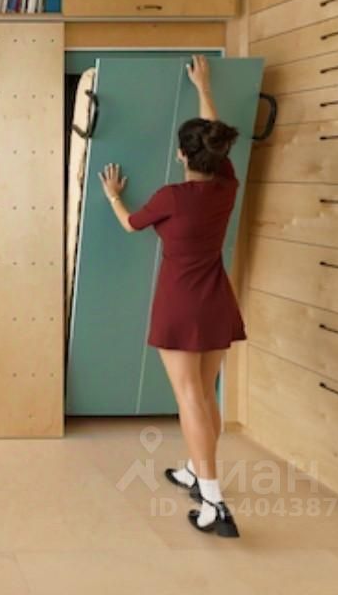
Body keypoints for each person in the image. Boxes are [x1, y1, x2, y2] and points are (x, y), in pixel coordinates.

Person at [97, 54, 244, 538]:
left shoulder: (169, 198)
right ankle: (196, 473)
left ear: (181, 156)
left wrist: (113, 193)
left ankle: (213, 500)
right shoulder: (226, 187)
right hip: (216, 301)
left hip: (180, 306)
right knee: (204, 393)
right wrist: (204, 88)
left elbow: (129, 224)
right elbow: (213, 137)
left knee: (189, 398)